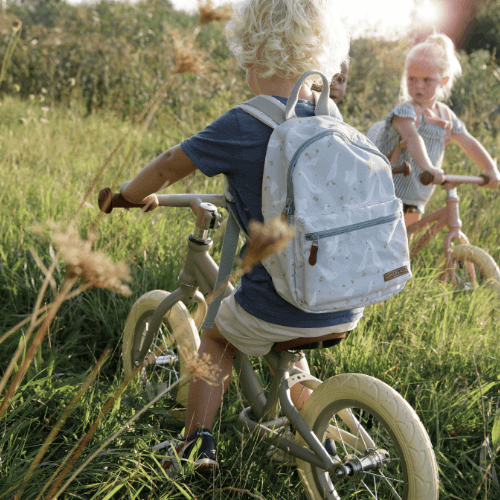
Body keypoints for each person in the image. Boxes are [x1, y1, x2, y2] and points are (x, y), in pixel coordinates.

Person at [119, 0, 363, 476]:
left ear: (249, 56)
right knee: (286, 346)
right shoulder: (333, 124)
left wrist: (129, 196)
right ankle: (308, 418)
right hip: (341, 304)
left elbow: (171, 163)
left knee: (215, 338)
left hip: (278, 305)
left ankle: (194, 443)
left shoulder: (242, 123)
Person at [374, 34, 500, 227]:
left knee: (404, 248)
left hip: (416, 197)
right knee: (386, 247)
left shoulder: (445, 116)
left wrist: (490, 167)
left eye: (427, 80)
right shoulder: (406, 111)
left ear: (444, 80)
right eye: (412, 78)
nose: (418, 86)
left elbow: (466, 140)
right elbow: (412, 138)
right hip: (386, 194)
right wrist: (429, 168)